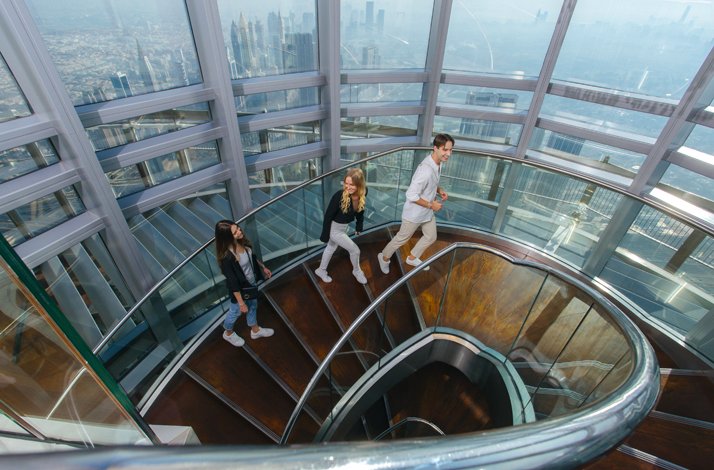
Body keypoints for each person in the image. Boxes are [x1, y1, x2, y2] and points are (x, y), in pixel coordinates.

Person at [377, 133, 454, 273]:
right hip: (414, 214)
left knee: (431, 236)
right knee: (401, 239)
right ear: (435, 148)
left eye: (450, 150)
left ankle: (412, 258)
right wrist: (432, 205)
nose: (448, 153)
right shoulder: (425, 170)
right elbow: (411, 194)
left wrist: (439, 190)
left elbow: (431, 183)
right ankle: (383, 257)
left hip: (426, 211)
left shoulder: (437, 163)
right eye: (445, 149)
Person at [215, 220, 274, 347]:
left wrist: (263, 267)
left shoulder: (242, 243)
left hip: (250, 285)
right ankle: (228, 333)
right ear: (227, 237)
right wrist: (241, 303)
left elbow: (251, 257)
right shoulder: (227, 257)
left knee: (253, 306)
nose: (239, 232)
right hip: (240, 292)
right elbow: (233, 282)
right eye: (235, 232)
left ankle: (255, 330)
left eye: (238, 229)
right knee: (235, 312)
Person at [315, 167, 368, 285]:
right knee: (355, 250)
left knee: (331, 248)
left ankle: (321, 270)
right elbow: (328, 216)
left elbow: (360, 211)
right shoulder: (339, 196)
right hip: (335, 230)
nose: (348, 187)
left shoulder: (363, 192)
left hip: (344, 227)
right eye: (346, 183)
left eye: (352, 184)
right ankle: (357, 271)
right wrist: (325, 235)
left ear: (359, 185)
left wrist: (359, 226)